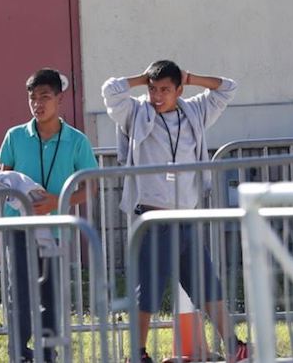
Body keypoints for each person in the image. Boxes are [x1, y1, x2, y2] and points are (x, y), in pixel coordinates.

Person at [103, 61, 248, 363]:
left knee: (208, 285)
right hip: (154, 220)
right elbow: (110, 91)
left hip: (187, 218)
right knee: (149, 291)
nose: (157, 96)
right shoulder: (137, 113)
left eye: (165, 90)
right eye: (153, 89)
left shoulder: (193, 111)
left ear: (179, 89)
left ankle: (235, 346)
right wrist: (142, 78)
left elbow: (228, 88)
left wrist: (193, 77)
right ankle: (138, 353)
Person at [0, 69, 98, 363]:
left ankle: (47, 353)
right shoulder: (14, 136)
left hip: (55, 230)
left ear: (59, 99)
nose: (37, 103)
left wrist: (59, 201)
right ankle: (18, 352)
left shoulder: (77, 141)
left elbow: (90, 187)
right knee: (19, 294)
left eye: (44, 97)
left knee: (51, 295)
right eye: (32, 98)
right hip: (18, 228)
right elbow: (4, 180)